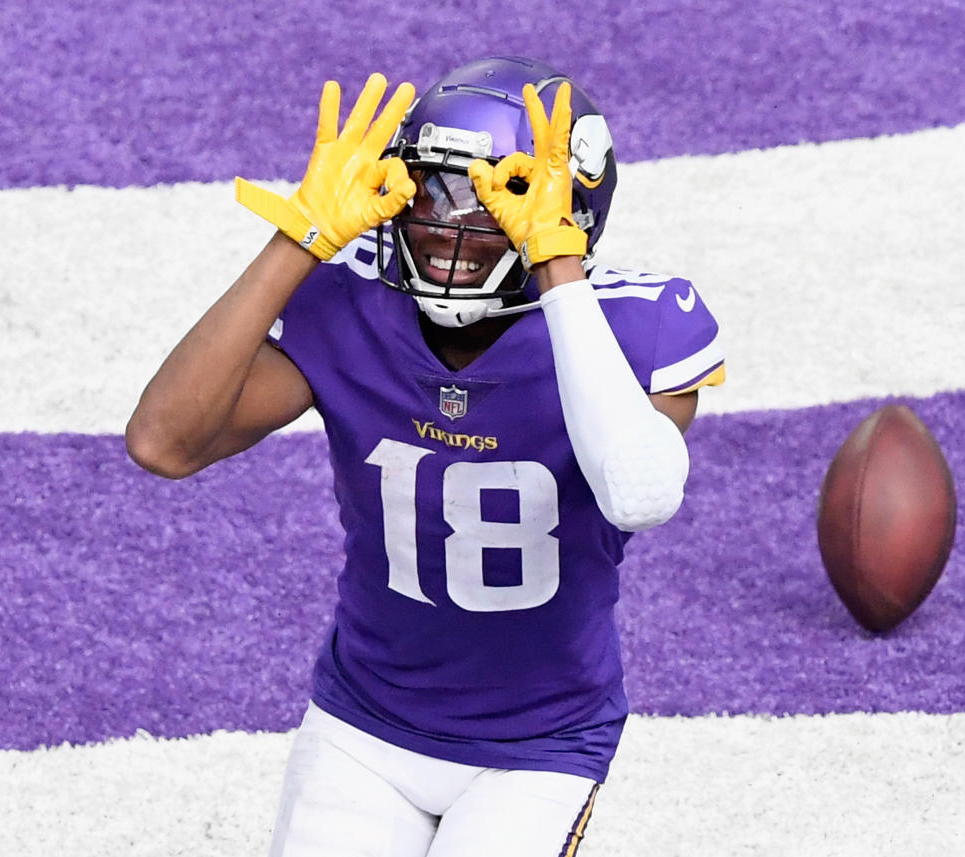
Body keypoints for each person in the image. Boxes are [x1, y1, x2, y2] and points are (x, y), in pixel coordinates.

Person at [126, 56, 725, 857]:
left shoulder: (636, 324)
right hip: (363, 726)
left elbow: (639, 492)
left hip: (538, 746)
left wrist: (556, 266)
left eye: (493, 197)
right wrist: (294, 242)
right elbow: (162, 442)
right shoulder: (356, 298)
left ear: (572, 207)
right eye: (434, 191)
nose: (450, 227)